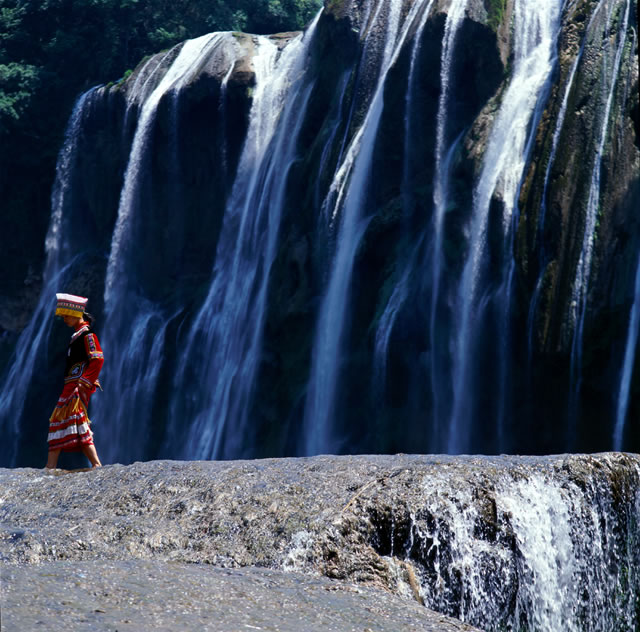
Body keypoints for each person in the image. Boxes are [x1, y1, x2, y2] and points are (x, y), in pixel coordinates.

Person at [46, 293, 104, 469]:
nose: (64, 319)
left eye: (66, 316)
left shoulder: (87, 335)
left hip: (77, 386)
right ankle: (52, 466)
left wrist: (85, 381)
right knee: (72, 423)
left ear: (76, 314)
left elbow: (98, 358)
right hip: (71, 385)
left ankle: (52, 466)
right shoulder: (78, 335)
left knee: (68, 421)